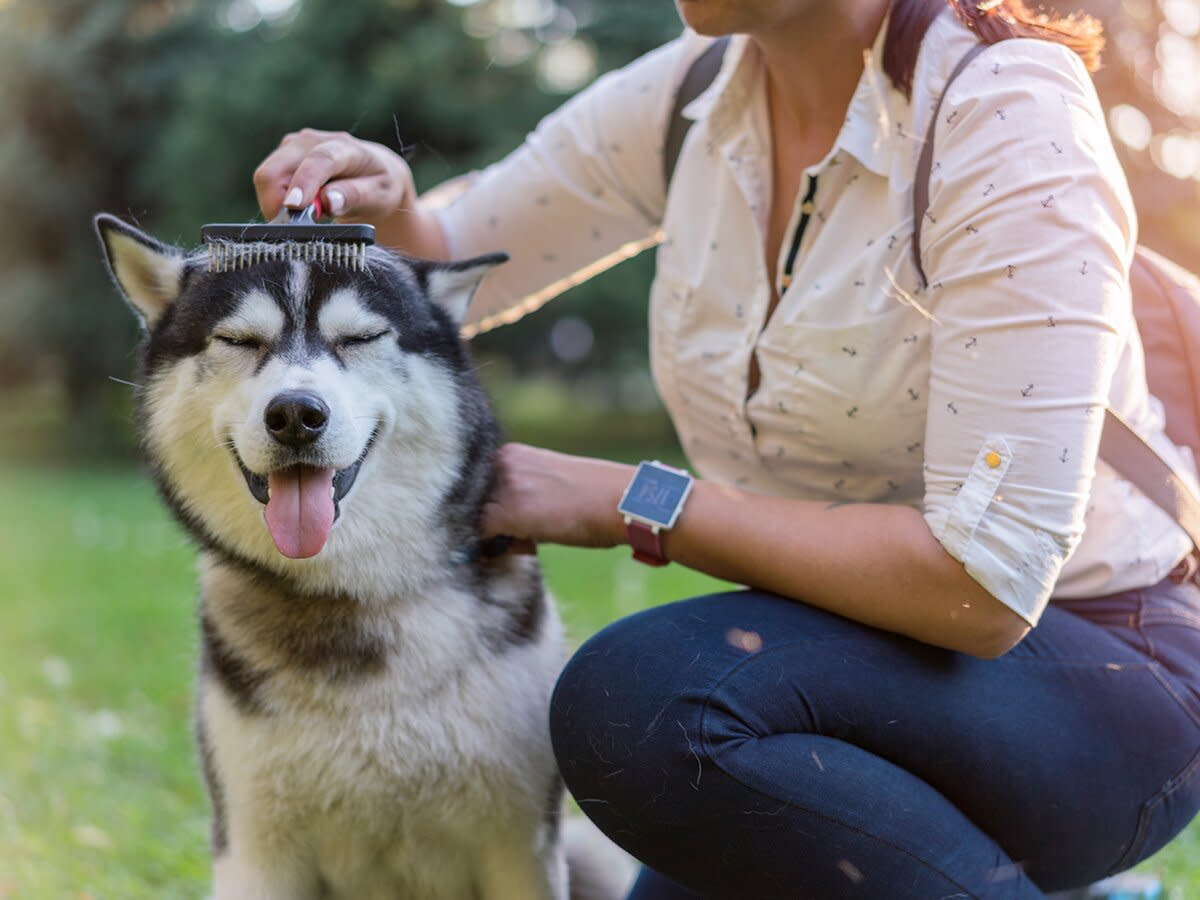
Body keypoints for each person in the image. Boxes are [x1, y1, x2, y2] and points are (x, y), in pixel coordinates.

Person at [252, 0, 1200, 896]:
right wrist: (388, 203)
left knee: (644, 705)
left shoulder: (1006, 113)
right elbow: (453, 259)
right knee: (661, 741)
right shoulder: (692, 93)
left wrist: (626, 498)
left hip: (1104, 667)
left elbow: (982, 582)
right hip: (858, 663)